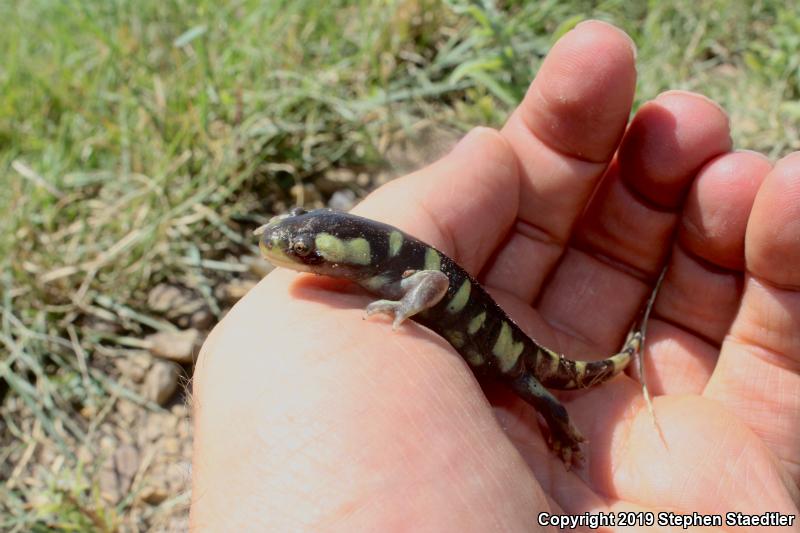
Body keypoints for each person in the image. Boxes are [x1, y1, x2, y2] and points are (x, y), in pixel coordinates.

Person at [189, 21, 799, 530]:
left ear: (342, 251)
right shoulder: (371, 261)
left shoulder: (392, 267)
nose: (289, 257)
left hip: (511, 355)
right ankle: (617, 361)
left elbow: (428, 286)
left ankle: (612, 369)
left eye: (306, 252)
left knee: (538, 390)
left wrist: (404, 310)